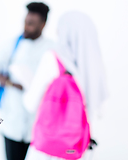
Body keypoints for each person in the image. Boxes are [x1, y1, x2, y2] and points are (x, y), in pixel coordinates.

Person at [23, 11, 108, 160]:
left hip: (51, 150)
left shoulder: (53, 58)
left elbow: (30, 104)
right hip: (81, 149)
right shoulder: (96, 65)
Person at [0, 2, 54, 160]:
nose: (26, 27)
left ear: (43, 25)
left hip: (38, 125)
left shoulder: (51, 49)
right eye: (25, 22)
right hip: (13, 123)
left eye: (31, 24)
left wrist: (12, 83)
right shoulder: (12, 44)